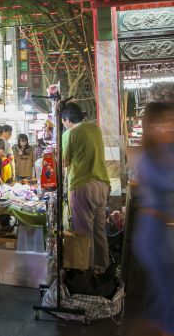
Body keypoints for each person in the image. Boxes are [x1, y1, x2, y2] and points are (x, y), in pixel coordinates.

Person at [133, 102, 174, 336]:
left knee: (170, 298)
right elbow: (169, 183)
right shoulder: (150, 156)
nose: (173, 126)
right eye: (166, 121)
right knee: (173, 299)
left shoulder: (165, 151)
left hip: (169, 232)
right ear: (153, 126)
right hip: (156, 233)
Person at [62, 101, 110, 270]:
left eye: (63, 121)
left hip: (83, 187)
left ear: (67, 120)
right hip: (102, 185)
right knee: (99, 232)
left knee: (84, 235)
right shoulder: (95, 128)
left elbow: (64, 161)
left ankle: (86, 276)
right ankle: (103, 271)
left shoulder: (70, 133)